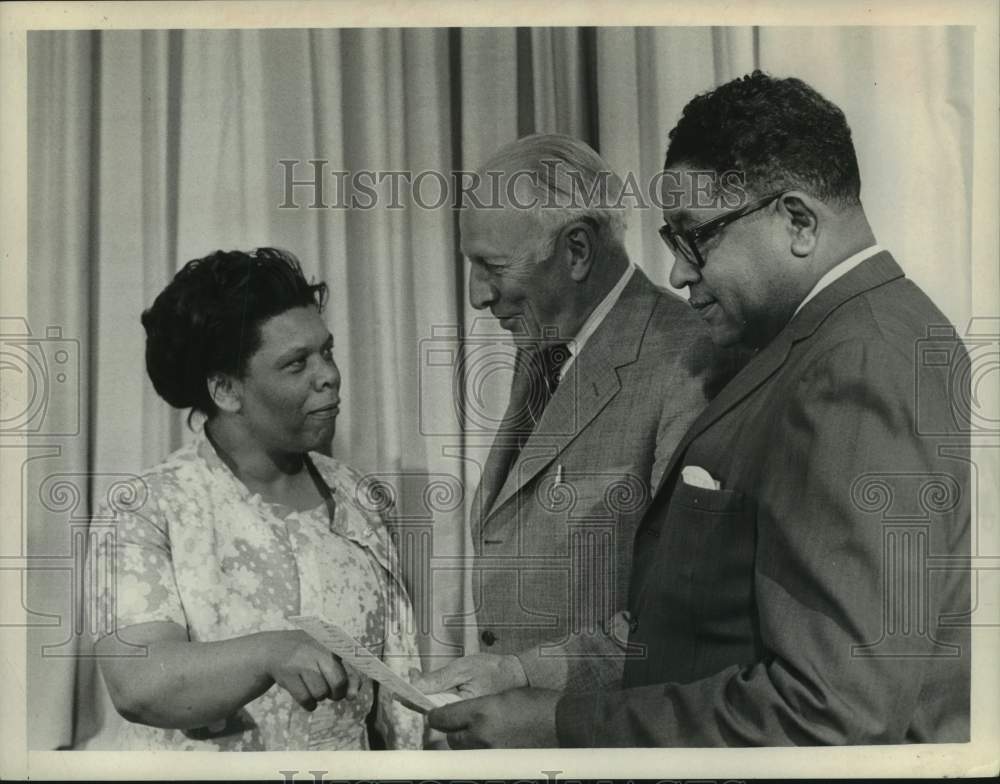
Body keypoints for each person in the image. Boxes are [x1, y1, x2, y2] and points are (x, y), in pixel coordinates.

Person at [427, 72, 971, 746]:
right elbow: (706, 622)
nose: (679, 274)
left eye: (695, 238)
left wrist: (555, 720)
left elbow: (832, 711)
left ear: (798, 221)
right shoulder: (835, 339)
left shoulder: (856, 361)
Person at [413, 134, 735, 704]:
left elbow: (686, 603)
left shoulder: (690, 359)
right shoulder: (543, 342)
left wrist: (522, 674)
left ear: (577, 250)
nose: (476, 295)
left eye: (491, 266)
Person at [90, 248, 423, 750]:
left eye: (327, 352)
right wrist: (270, 652)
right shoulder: (145, 508)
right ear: (226, 389)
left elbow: (393, 702)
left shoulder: (362, 499)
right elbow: (138, 685)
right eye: (296, 363)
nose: (328, 375)